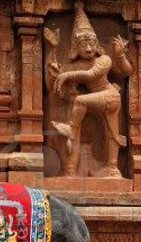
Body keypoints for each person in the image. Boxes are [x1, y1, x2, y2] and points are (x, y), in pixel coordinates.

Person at [44, 1, 132, 178]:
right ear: (75, 46)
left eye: (92, 43)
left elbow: (123, 72)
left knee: (101, 123)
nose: (89, 48)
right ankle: (71, 170)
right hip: (91, 105)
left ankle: (113, 168)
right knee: (107, 130)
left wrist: (120, 54)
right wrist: (53, 49)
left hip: (110, 97)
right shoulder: (74, 66)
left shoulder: (104, 60)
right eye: (84, 44)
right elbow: (51, 84)